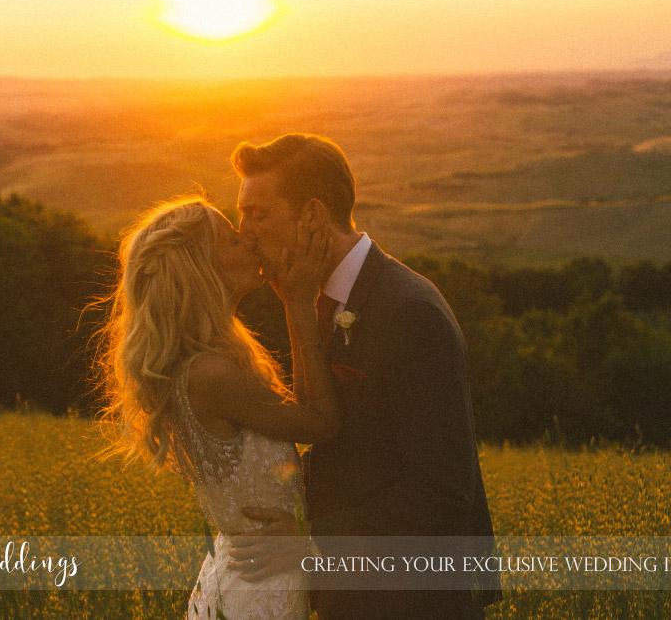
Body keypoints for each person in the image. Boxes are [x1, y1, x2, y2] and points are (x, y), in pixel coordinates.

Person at [227, 133, 501, 619]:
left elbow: (441, 496)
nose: (244, 232)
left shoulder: (408, 313)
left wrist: (310, 544)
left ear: (312, 216)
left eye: (258, 214)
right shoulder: (317, 299)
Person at [97, 195, 338, 619]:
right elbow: (321, 422)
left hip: (249, 571)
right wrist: (300, 303)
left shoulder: (204, 365)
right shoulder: (211, 375)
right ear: (203, 272)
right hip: (262, 588)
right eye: (231, 241)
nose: (247, 238)